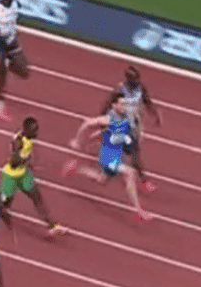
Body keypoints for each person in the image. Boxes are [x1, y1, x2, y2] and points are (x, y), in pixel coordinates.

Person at [62, 94, 153, 223]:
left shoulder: (124, 117)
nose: (124, 107)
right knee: (130, 173)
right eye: (121, 104)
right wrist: (77, 141)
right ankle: (138, 211)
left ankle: (77, 169)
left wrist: (138, 133)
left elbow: (108, 132)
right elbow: (86, 124)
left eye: (125, 104)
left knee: (101, 180)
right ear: (114, 105)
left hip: (117, 155)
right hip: (107, 157)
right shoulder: (108, 119)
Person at [0, 116, 66, 238]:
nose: (36, 133)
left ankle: (52, 225)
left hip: (23, 175)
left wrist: (28, 163)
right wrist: (26, 160)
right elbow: (14, 161)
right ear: (26, 129)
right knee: (4, 205)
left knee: (37, 197)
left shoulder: (29, 138)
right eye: (34, 130)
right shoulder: (18, 141)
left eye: (37, 129)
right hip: (10, 176)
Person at [100, 66, 163, 193]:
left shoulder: (140, 87)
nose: (137, 82)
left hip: (134, 125)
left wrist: (156, 115)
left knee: (130, 152)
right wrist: (102, 120)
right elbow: (108, 104)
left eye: (138, 79)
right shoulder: (120, 89)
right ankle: (144, 181)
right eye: (134, 80)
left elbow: (147, 101)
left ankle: (109, 171)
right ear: (128, 80)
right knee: (134, 154)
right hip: (121, 125)